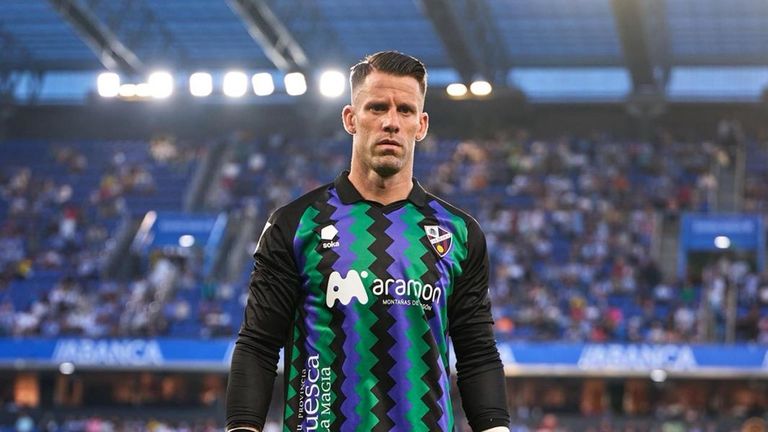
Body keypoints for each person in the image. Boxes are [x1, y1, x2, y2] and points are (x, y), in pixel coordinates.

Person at [226, 51, 510, 432]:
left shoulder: (459, 233)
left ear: (421, 125)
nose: (391, 122)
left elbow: (477, 354)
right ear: (350, 118)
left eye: (405, 110)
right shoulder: (295, 225)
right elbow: (258, 345)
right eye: (377, 107)